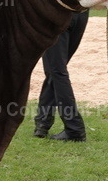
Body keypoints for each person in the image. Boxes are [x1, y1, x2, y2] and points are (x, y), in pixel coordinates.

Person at [33, 10, 89, 142]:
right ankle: (42, 122)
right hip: (80, 14)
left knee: (57, 71)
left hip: (57, 14)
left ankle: (74, 128)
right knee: (54, 71)